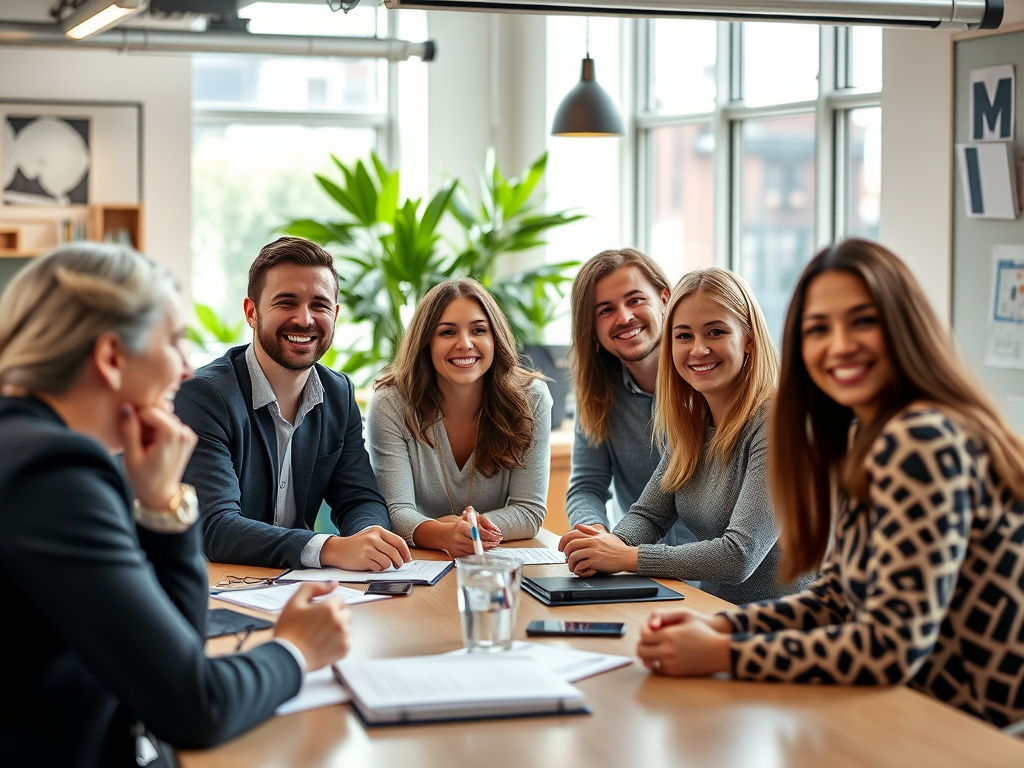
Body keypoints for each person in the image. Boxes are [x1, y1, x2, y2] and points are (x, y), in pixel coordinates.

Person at [636, 239, 1024, 728]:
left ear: (904, 326)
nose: (839, 345)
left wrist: (723, 654)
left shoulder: (921, 439)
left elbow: (889, 646)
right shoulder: (866, 434)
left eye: (862, 321)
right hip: (912, 710)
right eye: (818, 328)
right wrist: (721, 627)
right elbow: (837, 595)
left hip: (971, 728)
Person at [0, 243, 353, 766]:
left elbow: (178, 652)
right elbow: (196, 706)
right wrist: (296, 650)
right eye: (173, 342)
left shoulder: (31, 446)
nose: (187, 369)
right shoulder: (53, 474)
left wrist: (163, 506)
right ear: (111, 357)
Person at [560, 267, 807, 604]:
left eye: (715, 332)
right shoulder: (692, 422)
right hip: (711, 611)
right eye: (684, 336)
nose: (698, 349)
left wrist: (625, 557)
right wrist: (603, 548)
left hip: (783, 631)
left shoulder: (780, 422)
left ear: (748, 339)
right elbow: (650, 515)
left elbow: (739, 556)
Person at [176, 237, 410, 570]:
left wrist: (368, 538)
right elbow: (215, 527)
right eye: (286, 302)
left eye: (320, 305)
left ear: (336, 314)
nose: (305, 319)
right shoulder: (204, 395)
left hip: (298, 586)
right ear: (251, 312)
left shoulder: (339, 393)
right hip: (218, 586)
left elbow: (360, 498)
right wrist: (330, 549)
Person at [367, 278, 552, 557]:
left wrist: (469, 531)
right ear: (426, 341)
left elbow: (529, 511)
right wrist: (443, 535)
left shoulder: (531, 399)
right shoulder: (391, 404)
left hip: (493, 560)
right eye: (447, 332)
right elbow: (397, 512)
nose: (465, 344)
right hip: (419, 560)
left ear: (495, 338)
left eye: (478, 330)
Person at [564, 248, 696, 545]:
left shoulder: (706, 379)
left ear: (665, 300)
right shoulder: (598, 394)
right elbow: (586, 486)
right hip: (642, 568)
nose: (624, 317)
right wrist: (595, 533)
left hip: (716, 576)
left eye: (635, 300)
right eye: (606, 310)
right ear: (592, 329)